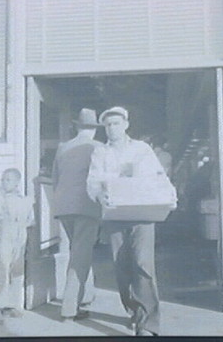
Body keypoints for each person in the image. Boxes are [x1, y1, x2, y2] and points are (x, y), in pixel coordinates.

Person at [87, 106, 166, 336]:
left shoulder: (142, 149)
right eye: (108, 125)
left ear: (126, 125)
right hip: (115, 215)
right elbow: (92, 182)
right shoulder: (100, 153)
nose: (112, 128)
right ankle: (133, 310)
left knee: (143, 264)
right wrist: (99, 193)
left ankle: (148, 323)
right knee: (121, 268)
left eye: (116, 124)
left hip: (142, 215)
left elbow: (157, 177)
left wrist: (136, 177)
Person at [52, 108, 103, 321]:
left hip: (64, 208)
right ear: (94, 129)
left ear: (77, 126)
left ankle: (85, 299)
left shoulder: (63, 147)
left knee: (80, 252)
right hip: (87, 208)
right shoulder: (99, 148)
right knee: (80, 255)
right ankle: (69, 309)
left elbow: (56, 179)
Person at [0, 168, 34, 325]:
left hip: (20, 239)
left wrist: (22, 228)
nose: (5, 183)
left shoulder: (25, 200)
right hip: (4, 238)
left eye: (8, 179)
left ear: (17, 182)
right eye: (3, 179)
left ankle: (13, 305)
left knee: (17, 274)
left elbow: (31, 220)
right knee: (1, 273)